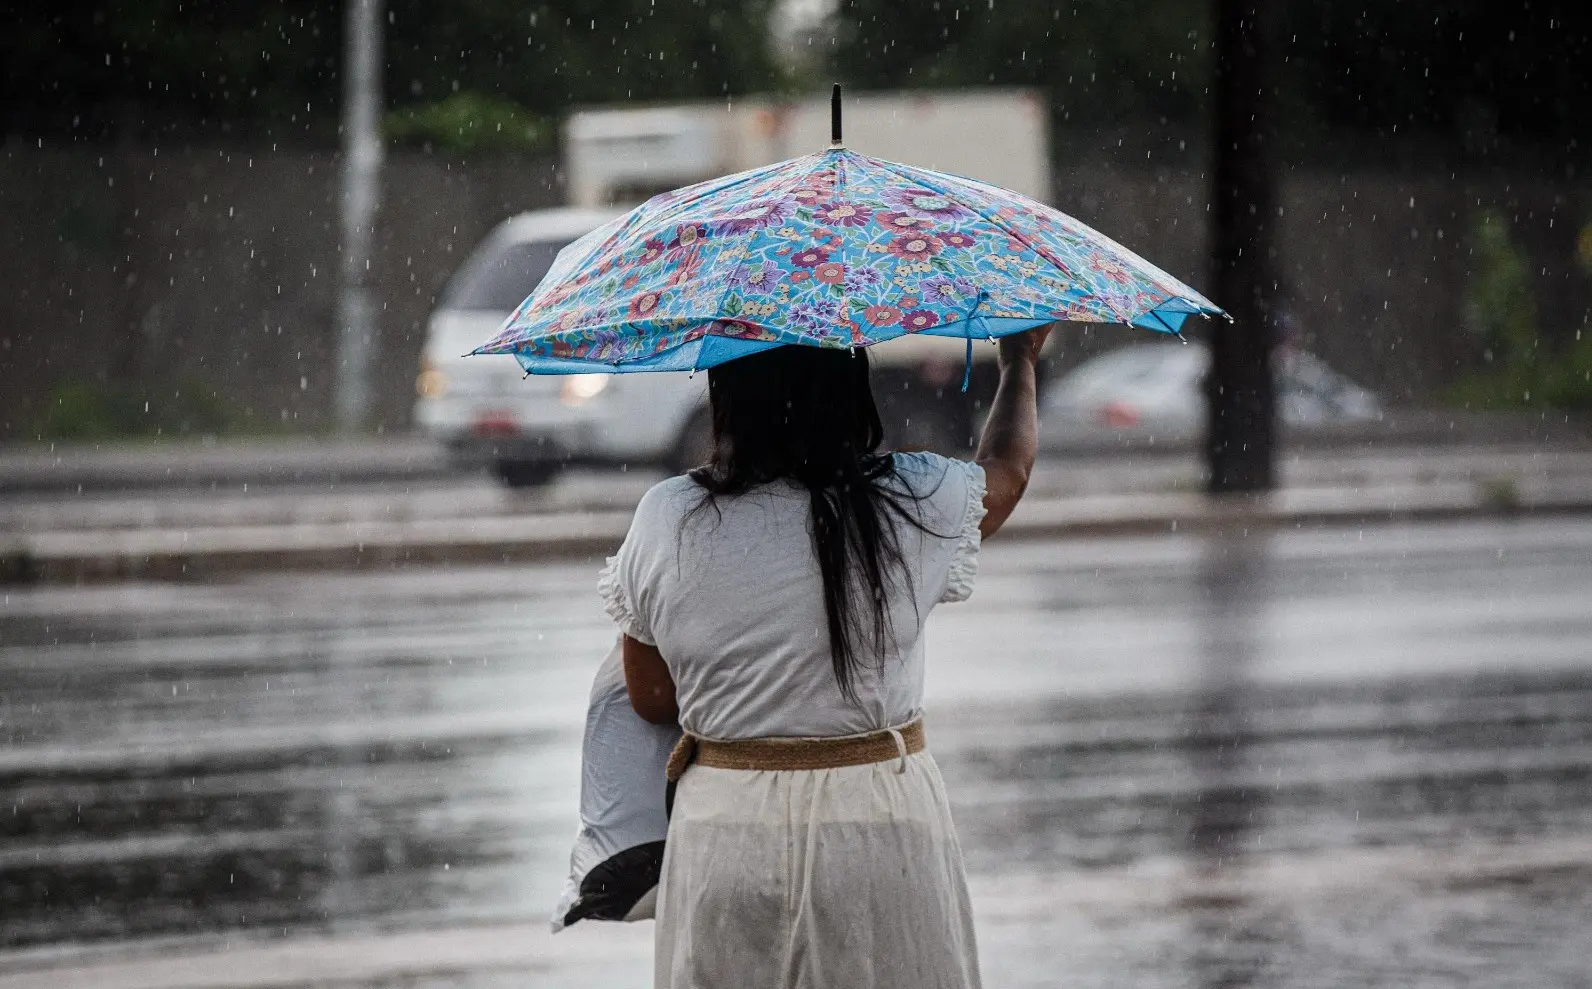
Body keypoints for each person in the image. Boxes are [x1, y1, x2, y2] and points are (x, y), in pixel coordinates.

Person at [599, 324, 1052, 989]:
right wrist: (1019, 366)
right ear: (851, 388)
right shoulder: (908, 500)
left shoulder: (670, 516)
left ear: (726, 393)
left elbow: (650, 697)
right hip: (880, 828)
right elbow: (1007, 471)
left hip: (727, 831)